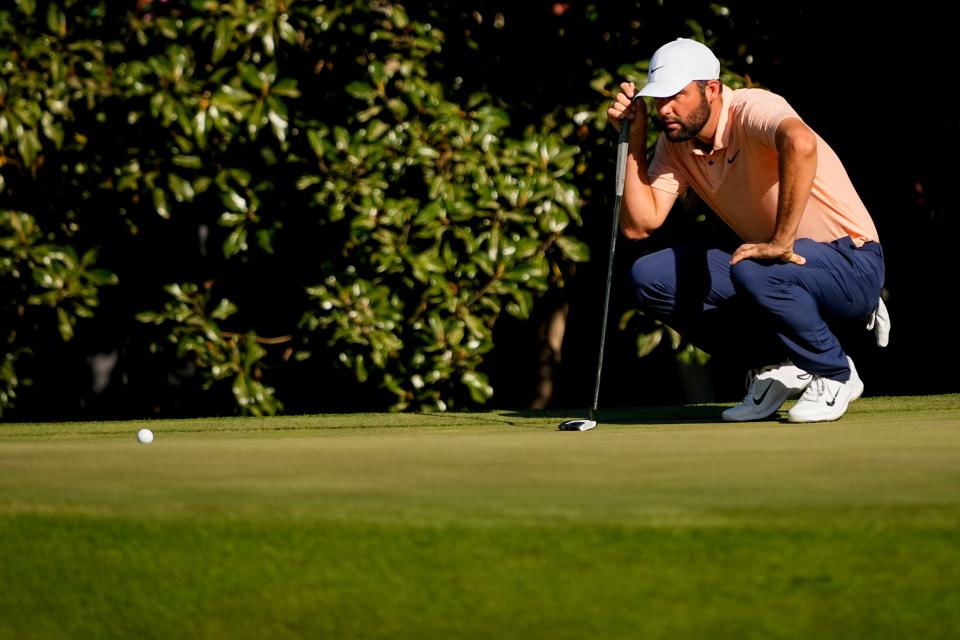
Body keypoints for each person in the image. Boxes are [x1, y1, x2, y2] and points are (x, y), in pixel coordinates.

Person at [606, 38, 888, 422]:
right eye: (658, 99)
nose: (665, 108)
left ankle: (836, 372)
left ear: (712, 89)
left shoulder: (752, 107)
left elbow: (800, 142)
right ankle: (781, 364)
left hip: (851, 259)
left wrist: (781, 241)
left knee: (752, 265)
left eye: (678, 95)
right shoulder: (676, 145)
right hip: (779, 270)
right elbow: (641, 225)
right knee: (649, 277)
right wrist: (633, 138)